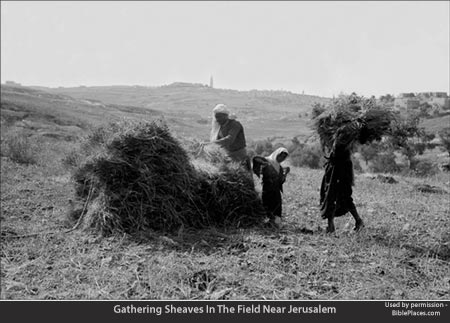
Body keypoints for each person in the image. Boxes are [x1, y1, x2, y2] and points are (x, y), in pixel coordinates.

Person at [320, 123, 365, 233]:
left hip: (340, 174)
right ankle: (331, 226)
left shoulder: (343, 146)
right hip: (332, 173)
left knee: (342, 197)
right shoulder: (338, 143)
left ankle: (358, 221)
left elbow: (337, 158)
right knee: (329, 196)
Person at [252, 147, 290, 228]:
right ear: (277, 153)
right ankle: (267, 223)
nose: (281, 159)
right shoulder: (267, 161)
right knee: (266, 207)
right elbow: (255, 159)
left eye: (283, 158)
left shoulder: (279, 168)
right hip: (267, 190)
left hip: (276, 192)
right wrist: (262, 166)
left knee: (277, 209)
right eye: (280, 156)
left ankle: (276, 224)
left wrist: (285, 174)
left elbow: (281, 182)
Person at [207, 104, 251, 170]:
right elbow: (219, 141)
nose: (217, 120)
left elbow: (229, 139)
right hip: (227, 155)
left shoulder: (235, 125)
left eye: (219, 117)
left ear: (225, 116)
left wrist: (212, 143)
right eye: (216, 117)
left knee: (240, 174)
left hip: (239, 155)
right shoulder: (220, 127)